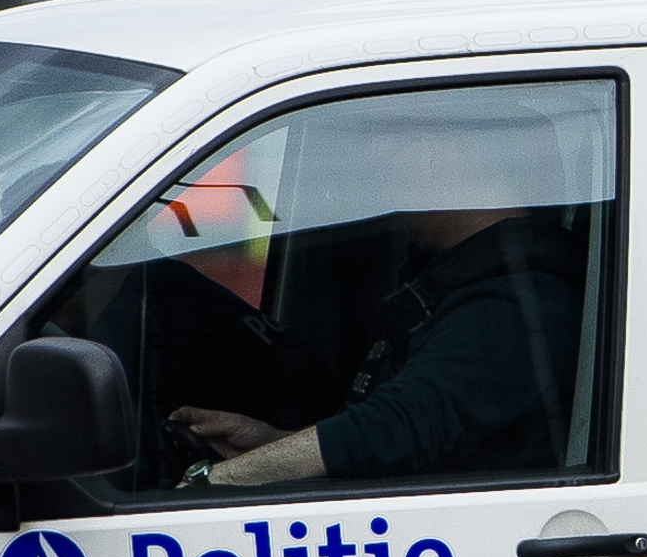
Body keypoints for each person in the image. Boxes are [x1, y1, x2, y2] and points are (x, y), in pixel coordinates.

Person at [171, 118, 582, 489]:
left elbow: (400, 427)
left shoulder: (521, 304)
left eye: (390, 152)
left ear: (447, 149)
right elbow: (390, 442)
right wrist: (273, 445)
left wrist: (216, 481)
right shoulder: (462, 283)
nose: (383, 187)